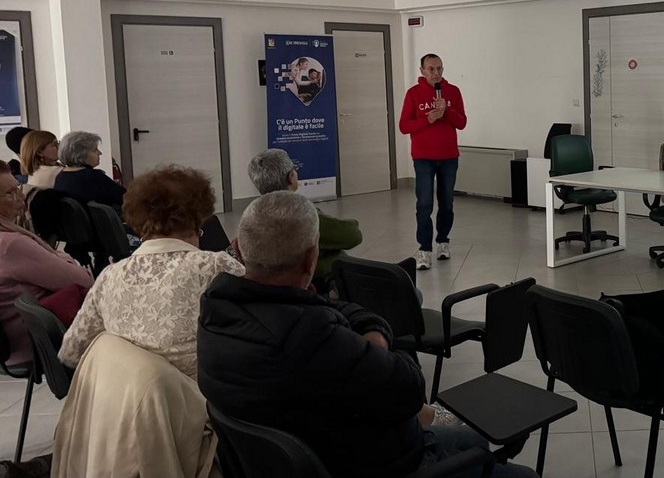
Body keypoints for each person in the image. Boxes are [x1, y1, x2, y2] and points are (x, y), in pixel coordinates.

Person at [198, 192, 535, 478]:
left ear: (238, 249)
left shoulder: (218, 313)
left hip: (317, 452)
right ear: (312, 259)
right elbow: (408, 388)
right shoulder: (314, 340)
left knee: (473, 442)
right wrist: (377, 346)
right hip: (384, 464)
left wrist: (373, 330)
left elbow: (335, 308)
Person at [59, 165, 244, 379]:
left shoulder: (110, 275)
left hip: (131, 395)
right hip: (200, 393)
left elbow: (71, 352)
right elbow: (264, 327)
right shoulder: (215, 266)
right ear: (197, 219)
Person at [0, 162, 93, 366]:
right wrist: (62, 256)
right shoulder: (11, 245)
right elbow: (84, 280)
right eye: (10, 193)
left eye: (18, 189)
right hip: (43, 345)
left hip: (21, 344)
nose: (20, 198)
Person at [247, 148, 362, 285]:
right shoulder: (302, 214)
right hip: (316, 283)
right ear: (291, 177)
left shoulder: (252, 217)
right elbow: (353, 236)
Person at [399, 54, 466, 270]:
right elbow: (404, 126)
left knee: (446, 202)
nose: (436, 73)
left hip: (448, 157)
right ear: (422, 71)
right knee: (424, 203)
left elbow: (462, 123)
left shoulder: (453, 91)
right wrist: (427, 119)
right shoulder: (413, 94)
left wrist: (447, 110)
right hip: (423, 157)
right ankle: (424, 249)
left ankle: (443, 242)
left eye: (439, 69)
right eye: (431, 69)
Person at [53, 131, 126, 212]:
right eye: (95, 150)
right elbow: (126, 197)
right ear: (81, 154)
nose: (100, 153)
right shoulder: (92, 177)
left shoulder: (60, 176)